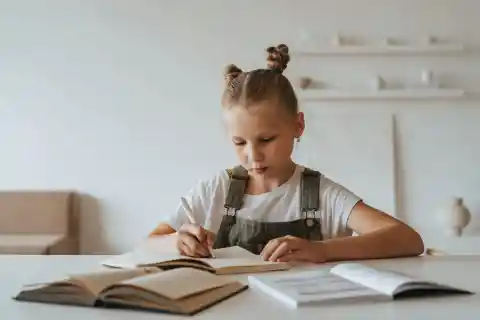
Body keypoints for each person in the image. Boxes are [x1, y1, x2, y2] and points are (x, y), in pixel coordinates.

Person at [149, 44, 424, 264]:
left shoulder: (321, 194)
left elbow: (408, 239)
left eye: (266, 139)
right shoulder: (214, 191)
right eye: (239, 142)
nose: (253, 156)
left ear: (298, 125)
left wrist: (322, 250)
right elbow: (149, 243)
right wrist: (176, 241)